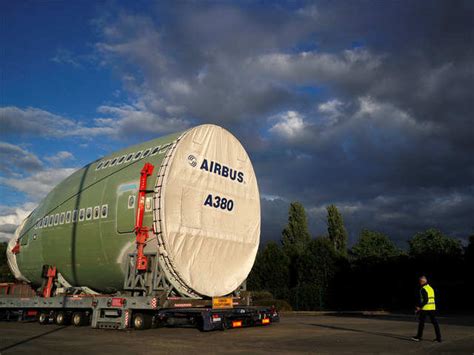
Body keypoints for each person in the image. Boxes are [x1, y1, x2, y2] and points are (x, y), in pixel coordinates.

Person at [412, 276, 442, 342]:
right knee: (435, 323)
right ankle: (438, 338)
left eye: (420, 281)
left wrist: (419, 307)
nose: (419, 282)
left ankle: (419, 337)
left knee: (421, 323)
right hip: (432, 308)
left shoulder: (423, 289)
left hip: (425, 308)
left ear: (422, 281)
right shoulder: (430, 288)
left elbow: (425, 300)